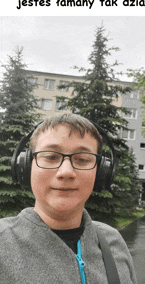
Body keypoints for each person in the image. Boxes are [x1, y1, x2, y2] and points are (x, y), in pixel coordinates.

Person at [0, 113, 137, 284]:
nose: (66, 172)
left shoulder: (113, 241)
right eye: (51, 157)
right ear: (27, 166)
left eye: (82, 159)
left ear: (101, 172)